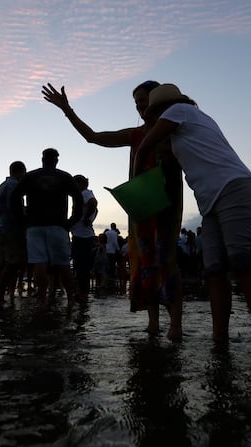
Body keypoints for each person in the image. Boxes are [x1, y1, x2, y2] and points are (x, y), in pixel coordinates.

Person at [133, 83, 251, 351]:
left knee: (243, 262)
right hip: (210, 201)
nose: (145, 115)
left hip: (232, 186)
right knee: (214, 270)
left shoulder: (180, 110)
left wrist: (139, 185)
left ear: (161, 108)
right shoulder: (183, 130)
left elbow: (145, 148)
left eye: (149, 110)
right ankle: (219, 340)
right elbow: (168, 162)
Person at [42, 80, 184, 339]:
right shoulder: (135, 135)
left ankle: (175, 325)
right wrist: (67, 109)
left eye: (144, 100)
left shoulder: (175, 131)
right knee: (145, 262)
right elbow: (92, 137)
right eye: (137, 102)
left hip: (167, 207)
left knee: (167, 261)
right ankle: (153, 323)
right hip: (141, 206)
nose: (140, 106)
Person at [11, 148, 83, 311]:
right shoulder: (64, 177)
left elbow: (15, 197)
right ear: (56, 160)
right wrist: (71, 221)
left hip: (35, 226)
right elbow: (78, 199)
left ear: (42, 159)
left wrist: (22, 219)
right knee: (63, 263)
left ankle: (42, 299)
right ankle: (70, 298)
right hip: (58, 226)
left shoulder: (30, 176)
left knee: (39, 263)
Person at [0, 161, 28, 302]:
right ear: (21, 171)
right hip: (9, 229)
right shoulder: (14, 186)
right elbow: (14, 209)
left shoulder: (2, 186)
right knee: (12, 262)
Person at [70, 174, 98, 301]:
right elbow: (95, 209)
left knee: (82, 266)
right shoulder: (85, 194)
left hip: (83, 237)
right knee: (81, 266)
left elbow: (93, 203)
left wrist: (86, 218)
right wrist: (90, 218)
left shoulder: (84, 193)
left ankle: (83, 293)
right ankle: (82, 291)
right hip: (81, 235)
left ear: (80, 184)